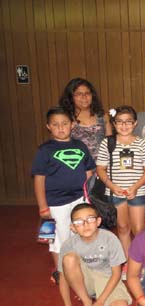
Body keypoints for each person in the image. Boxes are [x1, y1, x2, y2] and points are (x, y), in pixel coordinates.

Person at [32, 106, 96, 283]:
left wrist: (89, 199)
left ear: (72, 124)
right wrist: (43, 206)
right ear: (48, 126)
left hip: (79, 199)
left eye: (65, 123)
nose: (61, 128)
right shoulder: (45, 150)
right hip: (55, 202)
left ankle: (80, 267)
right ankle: (60, 270)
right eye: (55, 124)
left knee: (82, 233)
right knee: (59, 238)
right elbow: (39, 179)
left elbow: (89, 172)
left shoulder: (80, 146)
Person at [96, 106, 145, 266]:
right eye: (120, 122)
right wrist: (111, 185)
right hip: (115, 192)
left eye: (128, 122)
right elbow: (100, 168)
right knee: (122, 227)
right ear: (114, 124)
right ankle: (128, 262)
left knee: (139, 229)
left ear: (135, 123)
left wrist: (135, 187)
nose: (124, 125)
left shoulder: (142, 144)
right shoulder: (107, 143)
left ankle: (142, 261)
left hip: (138, 191)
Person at [58, 203, 131, 306]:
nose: (85, 225)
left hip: (107, 278)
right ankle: (86, 301)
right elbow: (62, 277)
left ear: (98, 221)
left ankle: (97, 297)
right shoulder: (68, 245)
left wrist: (99, 303)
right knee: (69, 259)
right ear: (73, 227)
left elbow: (116, 274)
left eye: (90, 219)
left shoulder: (110, 239)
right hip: (84, 279)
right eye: (79, 222)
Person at [59, 78, 113, 160]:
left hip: (102, 165)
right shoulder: (64, 118)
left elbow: (110, 143)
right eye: (79, 94)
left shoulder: (103, 115)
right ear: (71, 97)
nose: (84, 97)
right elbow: (59, 145)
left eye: (87, 93)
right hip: (76, 165)